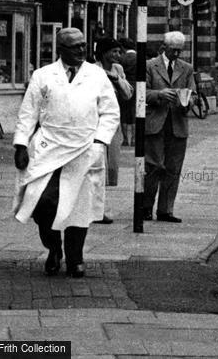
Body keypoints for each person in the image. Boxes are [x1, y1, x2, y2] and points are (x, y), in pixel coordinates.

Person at [13, 27, 119, 278]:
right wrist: (20, 144)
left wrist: (98, 142)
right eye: (75, 46)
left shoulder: (97, 75)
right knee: (41, 201)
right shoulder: (43, 75)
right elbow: (28, 112)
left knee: (78, 207)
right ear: (60, 50)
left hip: (84, 148)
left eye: (83, 45)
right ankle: (54, 248)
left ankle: (75, 258)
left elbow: (111, 113)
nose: (82, 50)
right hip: (48, 146)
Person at [143, 31, 195, 223]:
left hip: (177, 123)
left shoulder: (187, 68)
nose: (176, 54)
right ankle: (146, 207)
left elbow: (194, 93)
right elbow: (141, 93)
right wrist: (159, 94)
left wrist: (188, 102)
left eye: (179, 51)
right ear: (164, 48)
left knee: (173, 168)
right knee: (152, 167)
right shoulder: (150, 66)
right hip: (155, 123)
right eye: (173, 50)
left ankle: (166, 210)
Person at [94, 36, 133, 187]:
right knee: (98, 160)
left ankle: (107, 190)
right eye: (114, 51)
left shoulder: (118, 69)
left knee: (113, 160)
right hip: (96, 120)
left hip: (114, 119)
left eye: (119, 51)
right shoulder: (93, 69)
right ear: (104, 53)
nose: (118, 55)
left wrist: (116, 78)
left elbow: (128, 93)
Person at [118, 37, 137, 147]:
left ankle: (125, 139)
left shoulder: (121, 58)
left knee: (124, 113)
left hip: (124, 87)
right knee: (135, 112)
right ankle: (134, 139)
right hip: (137, 87)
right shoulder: (140, 58)